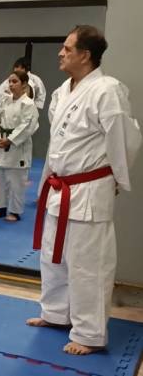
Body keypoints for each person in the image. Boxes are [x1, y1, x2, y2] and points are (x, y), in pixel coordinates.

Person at [28, 25, 141, 356]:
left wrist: (117, 180)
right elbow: (57, 145)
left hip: (89, 187)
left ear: (85, 55)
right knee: (53, 256)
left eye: (67, 48)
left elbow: (124, 137)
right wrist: (45, 182)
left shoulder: (108, 90)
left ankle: (90, 334)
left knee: (88, 266)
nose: (60, 53)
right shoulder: (63, 90)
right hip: (59, 187)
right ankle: (55, 313)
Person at [0, 71, 39, 222]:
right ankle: (0, 209)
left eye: (14, 82)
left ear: (24, 84)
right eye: (9, 81)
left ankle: (15, 212)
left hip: (17, 146)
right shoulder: (4, 101)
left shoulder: (28, 104)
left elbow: (28, 126)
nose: (10, 84)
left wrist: (10, 140)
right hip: (0, 143)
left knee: (16, 181)